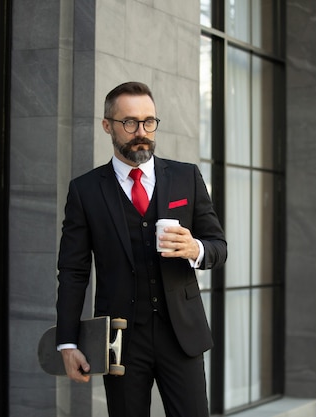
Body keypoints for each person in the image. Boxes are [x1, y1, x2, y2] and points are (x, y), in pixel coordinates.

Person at [56, 81, 227, 417]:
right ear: (108, 126)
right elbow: (73, 272)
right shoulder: (85, 191)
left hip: (182, 335)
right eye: (129, 122)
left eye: (149, 122)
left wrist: (195, 248)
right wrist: (68, 342)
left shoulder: (185, 177)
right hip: (120, 341)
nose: (141, 132)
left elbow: (218, 247)